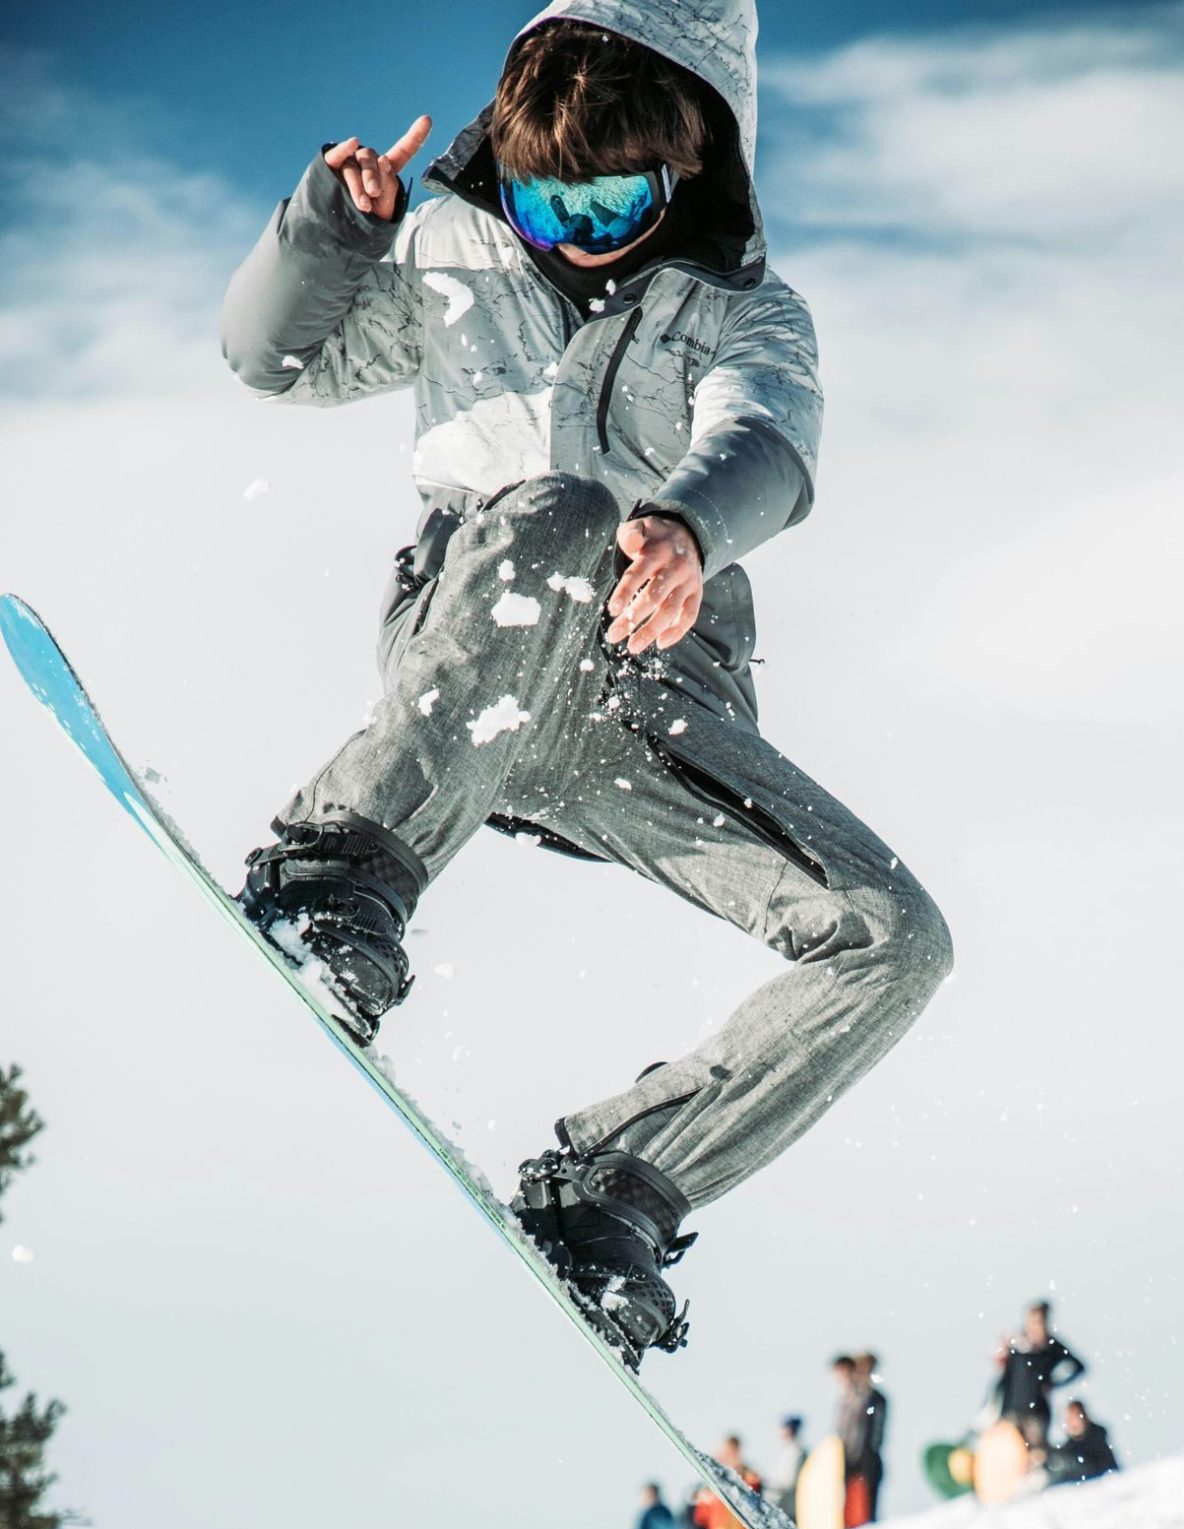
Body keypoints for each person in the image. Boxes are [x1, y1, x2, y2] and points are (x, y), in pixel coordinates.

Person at [220, 2, 952, 1372]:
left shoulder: (744, 308)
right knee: (556, 507)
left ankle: (613, 1189)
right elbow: (278, 363)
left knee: (894, 939)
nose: (581, 228)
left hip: (646, 699)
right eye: (549, 195)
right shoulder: (450, 250)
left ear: (690, 169)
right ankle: (340, 867)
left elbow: (767, 434)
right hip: (478, 639)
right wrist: (332, 231)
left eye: (619, 196)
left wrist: (688, 528)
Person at [994, 1301, 1086, 1451]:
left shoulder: (1052, 1347)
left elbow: (1080, 1367)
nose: (1033, 1326)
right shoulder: (1017, 1345)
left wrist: (1054, 1384)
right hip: (1011, 1410)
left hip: (1037, 1413)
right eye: (1031, 1321)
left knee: (1035, 1454)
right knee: (1006, 1453)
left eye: (1038, 1322)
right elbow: (1004, 1374)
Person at [691, 1434, 763, 1529]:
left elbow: (755, 1493)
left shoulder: (747, 1473)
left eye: (732, 1451)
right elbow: (703, 1509)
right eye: (726, 1451)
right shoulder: (716, 1476)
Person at [844, 1351, 888, 1528]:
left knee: (868, 1511)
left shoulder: (876, 1399)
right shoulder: (850, 1398)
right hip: (849, 1460)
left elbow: (877, 1433)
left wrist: (868, 1453)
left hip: (868, 1459)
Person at [1045, 1400, 1121, 1488]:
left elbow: (1093, 1468)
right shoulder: (1068, 1449)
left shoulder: (1096, 1438)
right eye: (1070, 1419)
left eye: (1076, 1417)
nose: (1073, 1422)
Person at [769, 1415, 806, 1525]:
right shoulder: (786, 1451)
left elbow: (789, 1482)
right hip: (781, 1504)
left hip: (790, 1507)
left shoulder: (797, 1452)